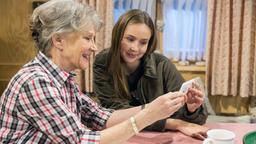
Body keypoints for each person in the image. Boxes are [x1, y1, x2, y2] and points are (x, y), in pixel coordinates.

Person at [0, 1, 187, 143]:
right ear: (58, 41)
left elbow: (101, 116)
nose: (95, 47)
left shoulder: (62, 80)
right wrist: (148, 116)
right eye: (88, 38)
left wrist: (153, 107)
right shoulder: (35, 81)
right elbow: (81, 140)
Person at [93, 9, 208, 139]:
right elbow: (114, 114)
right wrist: (173, 123)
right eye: (130, 39)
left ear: (150, 43)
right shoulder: (102, 62)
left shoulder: (162, 65)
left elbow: (194, 121)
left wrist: (190, 110)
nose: (135, 48)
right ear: (117, 36)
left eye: (143, 42)